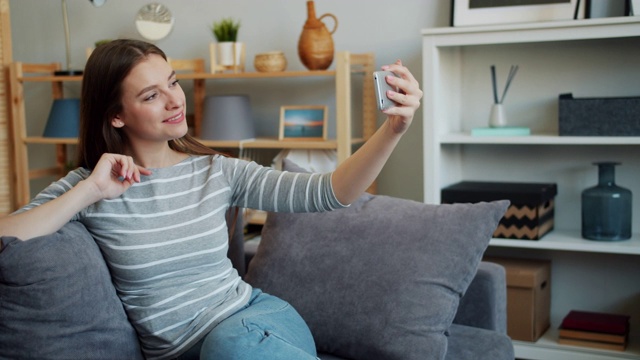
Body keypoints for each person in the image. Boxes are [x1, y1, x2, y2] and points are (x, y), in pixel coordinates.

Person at [0, 39, 422, 360]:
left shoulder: (217, 170)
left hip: (254, 324)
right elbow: (7, 235)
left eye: (173, 83)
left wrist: (394, 131)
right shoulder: (91, 185)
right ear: (116, 115)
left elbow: (330, 192)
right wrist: (90, 190)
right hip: (191, 352)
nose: (174, 100)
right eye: (150, 96)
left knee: (231, 343)